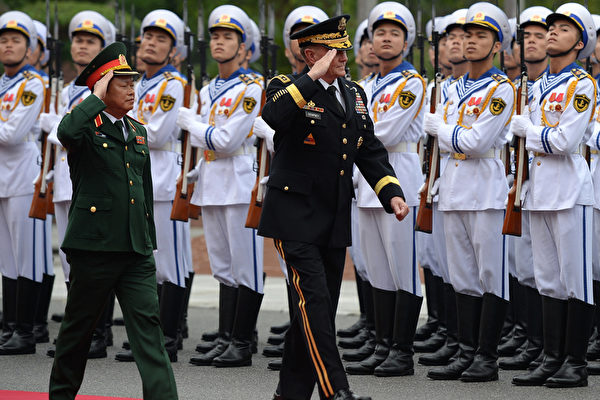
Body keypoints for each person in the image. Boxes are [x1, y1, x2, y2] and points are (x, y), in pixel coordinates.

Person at [258, 14, 409, 400]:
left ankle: (289, 394)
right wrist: (312, 76)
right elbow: (274, 116)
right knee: (316, 306)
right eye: (333, 51)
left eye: (344, 49)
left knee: (312, 313)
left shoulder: (353, 93)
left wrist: (390, 191)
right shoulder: (287, 86)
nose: (344, 56)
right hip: (294, 218)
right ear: (311, 55)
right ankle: (336, 391)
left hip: (333, 216)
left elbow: (367, 148)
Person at [48, 42, 178, 400]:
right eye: (123, 82)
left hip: (135, 251)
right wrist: (95, 97)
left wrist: (147, 242)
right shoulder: (85, 127)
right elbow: (66, 133)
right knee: (77, 333)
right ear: (103, 87)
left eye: (133, 82)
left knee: (149, 334)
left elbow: (144, 191)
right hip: (95, 248)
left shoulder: (137, 130)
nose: (132, 88)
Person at [424, 2, 515, 382]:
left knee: (489, 273)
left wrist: (443, 130)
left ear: (497, 46)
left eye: (480, 36)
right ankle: (465, 351)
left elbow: (477, 142)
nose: (470, 42)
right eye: (466, 36)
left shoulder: (501, 88)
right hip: (453, 186)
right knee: (461, 273)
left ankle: (487, 357)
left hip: (485, 189)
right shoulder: (452, 88)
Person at [510, 3, 597, 388]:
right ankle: (551, 357)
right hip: (540, 190)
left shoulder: (582, 84)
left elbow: (564, 140)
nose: (552, 33)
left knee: (575, 278)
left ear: (579, 43)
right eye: (551, 28)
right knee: (547, 278)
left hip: (570, 190)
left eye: (563, 29)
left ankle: (575, 363)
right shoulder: (537, 85)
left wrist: (528, 131)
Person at [176, 5, 264, 368]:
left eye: (228, 37)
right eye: (215, 36)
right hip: (212, 181)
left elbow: (227, 140)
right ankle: (227, 337)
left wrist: (192, 125)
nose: (219, 42)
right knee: (223, 266)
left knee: (246, 266)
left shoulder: (252, 87)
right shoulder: (208, 88)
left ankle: (242, 342)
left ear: (243, 48)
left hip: (239, 183)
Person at [346, 2, 426, 378]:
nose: (387, 38)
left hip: (399, 180)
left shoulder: (411, 82)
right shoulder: (363, 86)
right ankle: (381, 344)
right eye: (380, 33)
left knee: (401, 268)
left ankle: (402, 350)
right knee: (377, 268)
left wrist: (350, 133)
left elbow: (386, 133)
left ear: (406, 42)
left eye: (395, 33)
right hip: (366, 183)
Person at [114, 8, 189, 364]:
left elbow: (156, 134)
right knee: (147, 262)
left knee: (168, 263)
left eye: (161, 39)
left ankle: (168, 337)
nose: (151, 43)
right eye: (148, 36)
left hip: (162, 178)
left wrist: (118, 119)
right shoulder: (137, 82)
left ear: (173, 50)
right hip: (138, 179)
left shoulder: (174, 84)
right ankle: (149, 335)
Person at [40, 10, 116, 359]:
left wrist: (56, 127)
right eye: (78, 40)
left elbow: (91, 132)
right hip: (64, 180)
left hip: (90, 181)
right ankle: (81, 332)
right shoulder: (67, 88)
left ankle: (98, 332)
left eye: (90, 41)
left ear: (102, 48)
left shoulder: (106, 87)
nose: (82, 46)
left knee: (94, 260)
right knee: (71, 261)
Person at [499, 6, 551, 372]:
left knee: (551, 270)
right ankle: (530, 336)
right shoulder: (519, 87)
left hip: (549, 181)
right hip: (521, 183)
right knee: (524, 266)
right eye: (525, 37)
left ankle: (549, 344)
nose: (529, 43)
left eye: (538, 36)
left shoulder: (558, 85)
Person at [418, 8, 470, 368]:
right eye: (447, 39)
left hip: (477, 182)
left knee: (485, 269)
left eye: (460, 37)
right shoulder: (442, 88)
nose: (453, 44)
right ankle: (449, 329)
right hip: (444, 179)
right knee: (444, 263)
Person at [0, 10, 47, 356]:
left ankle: (26, 331)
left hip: (22, 174)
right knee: (7, 257)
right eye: (3, 40)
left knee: (25, 255)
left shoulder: (32, 84)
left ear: (29, 48)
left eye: (15, 40)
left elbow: (13, 133)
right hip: (2, 174)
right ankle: (11, 326)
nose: (8, 45)